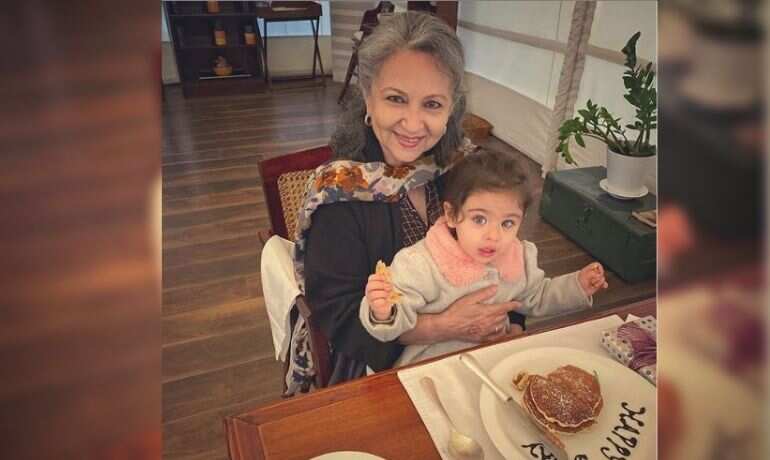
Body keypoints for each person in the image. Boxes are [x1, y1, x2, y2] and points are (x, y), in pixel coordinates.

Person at [290, 12, 523, 392]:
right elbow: (339, 316)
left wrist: (510, 322)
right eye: (396, 99)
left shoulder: (466, 170)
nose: (413, 125)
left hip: (476, 346)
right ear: (367, 96)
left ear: (452, 108)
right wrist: (441, 327)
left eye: (432, 104)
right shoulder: (339, 194)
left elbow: (504, 255)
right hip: (379, 364)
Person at [360, 149, 609, 365]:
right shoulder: (420, 263)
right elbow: (394, 321)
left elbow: (537, 296)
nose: (494, 236)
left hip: (496, 357)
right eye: (479, 219)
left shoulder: (518, 257)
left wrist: (577, 285)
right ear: (452, 214)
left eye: (508, 223)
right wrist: (383, 312)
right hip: (434, 365)